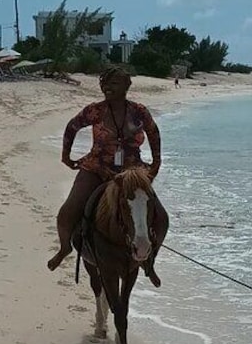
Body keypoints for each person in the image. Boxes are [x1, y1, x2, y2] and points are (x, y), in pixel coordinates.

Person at [47, 66, 168, 287]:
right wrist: (66, 156)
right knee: (69, 210)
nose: (107, 88)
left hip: (131, 171)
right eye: (105, 84)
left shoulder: (139, 111)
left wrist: (156, 162)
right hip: (97, 168)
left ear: (126, 86)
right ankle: (65, 247)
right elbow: (72, 127)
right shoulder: (95, 110)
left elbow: (154, 132)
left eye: (114, 83)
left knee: (160, 217)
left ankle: (149, 261)